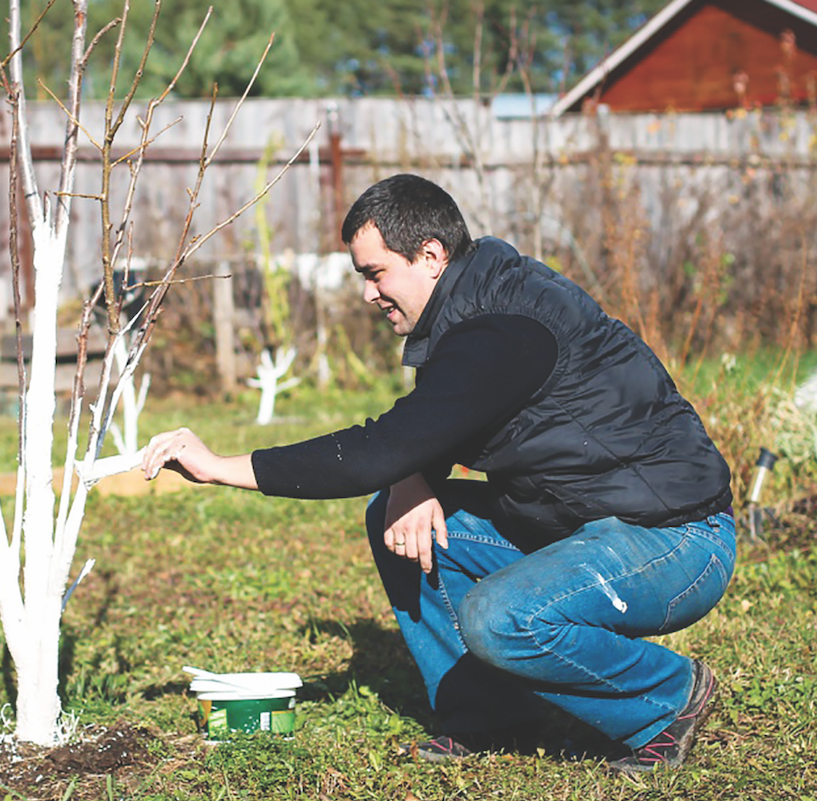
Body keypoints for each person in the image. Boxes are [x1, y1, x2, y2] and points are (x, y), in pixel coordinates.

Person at [142, 173, 735, 772]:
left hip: (674, 540)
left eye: (375, 273)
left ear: (430, 256)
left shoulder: (504, 326)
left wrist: (222, 467)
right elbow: (432, 424)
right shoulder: (468, 305)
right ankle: (490, 719)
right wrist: (410, 478)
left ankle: (667, 698)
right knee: (396, 516)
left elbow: (382, 448)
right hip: (578, 524)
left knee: (501, 618)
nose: (369, 295)